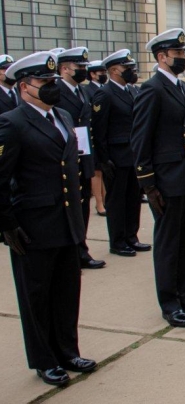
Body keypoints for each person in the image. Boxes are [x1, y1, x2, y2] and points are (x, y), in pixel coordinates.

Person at [0, 51, 97, 386]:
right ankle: (45, 360)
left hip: (68, 220)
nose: (52, 86)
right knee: (37, 296)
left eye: (55, 81)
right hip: (34, 225)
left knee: (67, 291)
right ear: (25, 86)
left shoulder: (64, 116)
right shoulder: (11, 123)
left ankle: (68, 351)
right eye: (45, 82)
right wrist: (8, 225)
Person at [131, 28, 185, 329]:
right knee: (168, 243)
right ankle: (169, 301)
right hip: (166, 180)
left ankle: (183, 294)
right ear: (162, 57)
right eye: (177, 54)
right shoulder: (152, 89)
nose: (183, 58)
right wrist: (148, 183)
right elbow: (141, 139)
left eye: (184, 54)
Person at [92, 49, 151, 257]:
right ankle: (118, 241)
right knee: (117, 201)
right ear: (114, 70)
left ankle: (131, 236)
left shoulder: (133, 91)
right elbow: (99, 131)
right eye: (127, 68)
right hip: (116, 158)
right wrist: (103, 159)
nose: (131, 71)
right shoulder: (105, 94)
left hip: (134, 155)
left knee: (134, 198)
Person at [54, 47, 106, 270]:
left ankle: (81, 249)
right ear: (64, 69)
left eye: (85, 67)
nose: (83, 71)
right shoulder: (55, 91)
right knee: (66, 208)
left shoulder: (82, 91)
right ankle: (69, 252)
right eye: (79, 67)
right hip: (65, 157)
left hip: (83, 154)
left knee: (83, 205)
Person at [84, 60, 108, 216]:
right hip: (92, 135)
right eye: (101, 72)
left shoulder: (104, 89)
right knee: (96, 171)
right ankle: (99, 204)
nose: (103, 75)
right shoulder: (88, 90)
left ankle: (104, 200)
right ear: (92, 74)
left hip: (102, 135)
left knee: (102, 170)